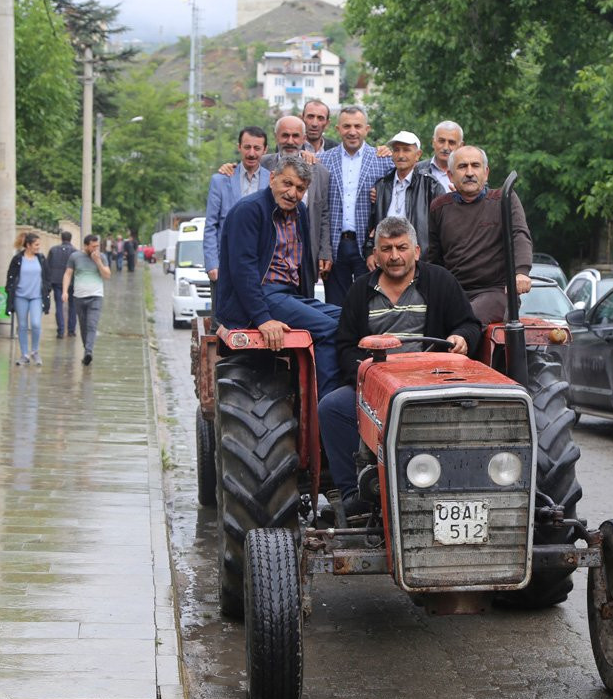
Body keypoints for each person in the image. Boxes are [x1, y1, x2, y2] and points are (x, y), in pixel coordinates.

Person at [318, 216, 481, 518]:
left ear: (416, 251)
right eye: (387, 249)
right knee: (330, 408)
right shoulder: (359, 293)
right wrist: (366, 374)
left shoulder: (440, 281)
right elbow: (345, 347)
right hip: (377, 386)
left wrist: (461, 337)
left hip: (431, 383)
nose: (394, 256)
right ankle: (353, 495)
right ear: (376, 255)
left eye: (401, 248)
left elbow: (469, 324)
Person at [216, 156, 342, 399]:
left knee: (347, 318)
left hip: (288, 295)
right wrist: (263, 319)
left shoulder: (300, 212)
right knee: (328, 329)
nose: (292, 193)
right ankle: (327, 407)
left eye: (300, 188)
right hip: (262, 294)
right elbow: (243, 270)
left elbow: (304, 262)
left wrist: (305, 302)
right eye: (287, 183)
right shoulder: (249, 211)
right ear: (272, 178)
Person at [426, 146, 533, 325]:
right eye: (462, 167)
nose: (469, 172)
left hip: (496, 292)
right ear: (450, 176)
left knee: (467, 320)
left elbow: (519, 235)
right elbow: (434, 258)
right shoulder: (439, 207)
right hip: (454, 292)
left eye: (475, 165)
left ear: (486, 172)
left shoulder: (504, 199)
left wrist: (521, 272)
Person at [318, 105, 394, 306]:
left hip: (367, 245)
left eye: (358, 126)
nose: (352, 131)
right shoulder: (323, 160)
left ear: (367, 129)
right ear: (338, 129)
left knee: (368, 303)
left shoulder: (383, 160)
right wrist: (323, 249)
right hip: (335, 245)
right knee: (334, 305)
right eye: (347, 126)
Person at [261, 116, 332, 284]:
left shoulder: (319, 171)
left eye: (295, 136)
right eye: (285, 135)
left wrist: (325, 252)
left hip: (305, 250)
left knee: (304, 300)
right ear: (276, 136)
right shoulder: (262, 165)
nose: (290, 141)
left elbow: (323, 215)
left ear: (304, 138)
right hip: (270, 251)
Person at [363, 131, 443, 266]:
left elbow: (441, 229)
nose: (400, 155)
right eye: (396, 150)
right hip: (386, 260)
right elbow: (372, 225)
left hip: (420, 261)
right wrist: (370, 252)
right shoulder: (381, 185)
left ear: (418, 155)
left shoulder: (431, 185)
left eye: (406, 150)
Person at [203, 126, 272, 283]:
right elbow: (210, 225)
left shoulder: (273, 181)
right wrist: (212, 264)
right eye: (247, 147)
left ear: (265, 150)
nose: (251, 153)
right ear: (239, 147)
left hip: (260, 269)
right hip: (225, 267)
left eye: (257, 148)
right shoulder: (220, 180)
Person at [62, 234, 111, 366]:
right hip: (79, 297)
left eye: (97, 246)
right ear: (86, 246)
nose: (96, 249)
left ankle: (88, 351)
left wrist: (98, 262)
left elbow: (107, 275)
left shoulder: (102, 257)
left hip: (96, 296)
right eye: (93, 246)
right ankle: (87, 350)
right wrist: (65, 291)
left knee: (92, 325)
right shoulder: (75, 257)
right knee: (83, 326)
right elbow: (68, 274)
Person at [5, 232, 51, 366]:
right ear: (28, 245)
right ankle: (24, 354)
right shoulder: (17, 259)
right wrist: (9, 291)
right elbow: (10, 276)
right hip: (20, 297)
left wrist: (47, 289)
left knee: (36, 324)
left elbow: (47, 277)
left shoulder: (41, 259)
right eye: (36, 244)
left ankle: (35, 352)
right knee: (23, 326)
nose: (39, 247)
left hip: (37, 297)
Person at [415, 121, 464, 192]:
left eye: (451, 143)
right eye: (441, 141)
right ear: (433, 142)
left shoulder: (468, 173)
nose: (445, 148)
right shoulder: (417, 170)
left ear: (461, 146)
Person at [46, 230, 77, 338]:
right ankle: (71, 330)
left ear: (61, 238)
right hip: (72, 282)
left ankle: (60, 331)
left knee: (59, 305)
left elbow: (47, 266)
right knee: (72, 306)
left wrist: (48, 281)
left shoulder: (53, 250)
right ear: (70, 239)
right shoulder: (75, 252)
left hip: (57, 281)